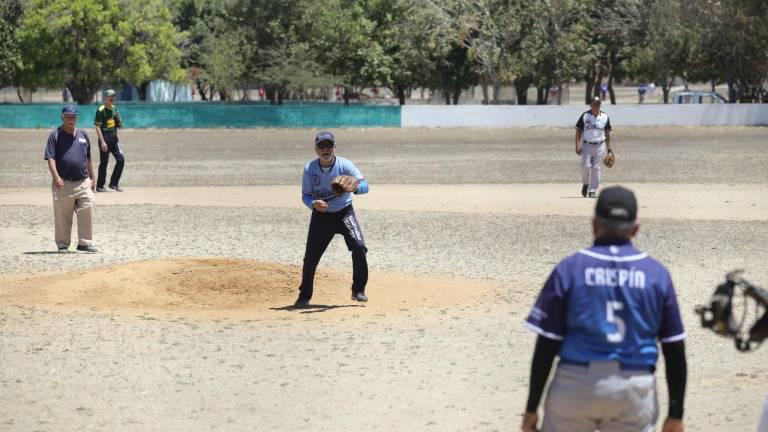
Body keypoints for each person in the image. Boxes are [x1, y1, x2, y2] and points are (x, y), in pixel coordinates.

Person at [520, 186, 687, 432]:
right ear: (635, 228)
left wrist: (532, 407)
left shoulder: (570, 268)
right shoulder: (656, 275)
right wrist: (676, 413)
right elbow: (673, 347)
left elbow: (547, 343)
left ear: (594, 224)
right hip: (632, 388)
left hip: (575, 385)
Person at [295, 131, 370, 308]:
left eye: (329, 145)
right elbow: (305, 195)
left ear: (335, 147)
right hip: (321, 218)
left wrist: (355, 188)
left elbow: (366, 186)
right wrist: (313, 204)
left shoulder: (345, 165)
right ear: (316, 149)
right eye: (321, 146)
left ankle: (358, 290)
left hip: (345, 213)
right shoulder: (310, 169)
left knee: (359, 247)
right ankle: (304, 295)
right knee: (311, 257)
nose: (325, 149)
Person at [44, 105, 98, 253]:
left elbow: (88, 158)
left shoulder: (83, 135)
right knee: (63, 215)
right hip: (63, 183)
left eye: (73, 116)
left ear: (77, 118)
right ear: (62, 117)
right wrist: (56, 176)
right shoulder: (55, 135)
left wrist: (93, 177)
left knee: (87, 206)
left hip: (82, 181)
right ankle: (62, 244)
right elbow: (50, 158)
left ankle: (84, 243)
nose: (70, 119)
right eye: (67, 116)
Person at [575, 97, 613, 198]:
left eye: (598, 104)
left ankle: (592, 190)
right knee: (585, 166)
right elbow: (578, 131)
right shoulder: (585, 116)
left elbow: (607, 133)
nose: (597, 106)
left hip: (600, 145)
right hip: (587, 145)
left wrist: (609, 149)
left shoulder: (605, 117)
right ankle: (586, 184)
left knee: (596, 168)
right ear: (591, 105)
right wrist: (577, 145)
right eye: (595, 104)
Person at [94, 89, 125, 192]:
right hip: (105, 138)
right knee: (104, 163)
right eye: (110, 97)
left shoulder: (114, 109)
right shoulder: (100, 110)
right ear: (105, 98)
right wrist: (102, 142)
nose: (112, 98)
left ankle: (114, 184)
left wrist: (120, 122)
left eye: (113, 97)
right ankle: (100, 186)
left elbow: (119, 125)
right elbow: (98, 127)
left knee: (121, 160)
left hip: (114, 139)